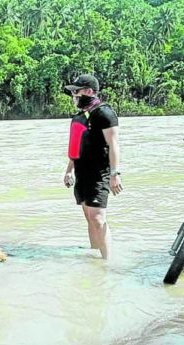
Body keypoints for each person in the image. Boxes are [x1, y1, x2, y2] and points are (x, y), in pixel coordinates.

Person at [63, 74, 122, 260]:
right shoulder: (78, 118)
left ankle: (108, 261)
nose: (74, 96)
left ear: (89, 92)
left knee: (98, 218)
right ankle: (95, 257)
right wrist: (69, 170)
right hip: (82, 174)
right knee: (89, 217)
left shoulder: (104, 113)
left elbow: (114, 144)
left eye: (77, 92)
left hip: (100, 173)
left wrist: (115, 174)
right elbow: (75, 148)